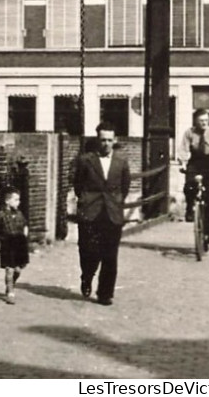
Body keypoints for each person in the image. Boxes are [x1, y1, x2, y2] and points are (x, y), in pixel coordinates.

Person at [73, 121, 131, 306]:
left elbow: (125, 186)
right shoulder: (85, 160)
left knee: (110, 255)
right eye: (102, 140)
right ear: (97, 140)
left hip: (112, 212)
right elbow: (78, 185)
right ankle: (87, 276)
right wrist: (86, 200)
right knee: (89, 250)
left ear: (115, 140)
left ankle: (105, 293)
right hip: (91, 211)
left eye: (109, 140)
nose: (105, 143)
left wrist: (116, 202)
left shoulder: (122, 162)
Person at [178, 108, 209, 244]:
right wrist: (182, 163)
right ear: (195, 121)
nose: (204, 123)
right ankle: (189, 208)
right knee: (189, 186)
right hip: (195, 164)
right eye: (201, 120)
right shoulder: (189, 133)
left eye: (206, 120)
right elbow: (183, 149)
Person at [0, 187, 29, 305]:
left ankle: (11, 284)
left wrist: (25, 236)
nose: (18, 203)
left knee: (18, 270)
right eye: (15, 200)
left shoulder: (19, 214)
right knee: (9, 269)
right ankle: (10, 292)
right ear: (7, 201)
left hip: (19, 244)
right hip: (7, 243)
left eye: (18, 200)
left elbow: (25, 225)